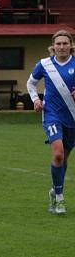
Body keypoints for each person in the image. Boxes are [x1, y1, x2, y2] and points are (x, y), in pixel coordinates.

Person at [27, 30, 75, 216]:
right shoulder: (44, 64)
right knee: (57, 154)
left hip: (72, 117)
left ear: (70, 45)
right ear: (53, 46)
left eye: (65, 43)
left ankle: (55, 190)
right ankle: (60, 199)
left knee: (64, 159)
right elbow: (31, 84)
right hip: (52, 115)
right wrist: (35, 100)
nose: (62, 47)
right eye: (58, 43)